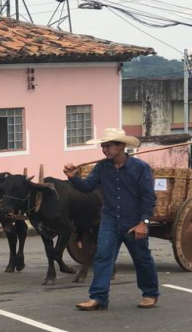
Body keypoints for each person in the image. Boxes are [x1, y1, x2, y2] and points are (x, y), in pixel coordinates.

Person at [63, 128, 159, 311]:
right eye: (103, 146)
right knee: (103, 257)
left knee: (141, 258)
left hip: (133, 221)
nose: (105, 150)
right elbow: (87, 187)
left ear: (121, 146)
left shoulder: (140, 168)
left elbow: (149, 198)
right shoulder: (101, 167)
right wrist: (74, 178)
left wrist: (143, 223)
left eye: (108, 146)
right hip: (109, 220)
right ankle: (98, 298)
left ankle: (150, 293)